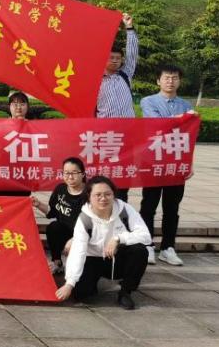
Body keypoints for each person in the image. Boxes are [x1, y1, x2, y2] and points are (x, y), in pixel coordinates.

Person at [56, 175, 152, 310]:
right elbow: (78, 252)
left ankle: (126, 291)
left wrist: (118, 239)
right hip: (93, 259)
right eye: (98, 195)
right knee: (82, 294)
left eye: (108, 194)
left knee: (140, 250)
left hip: (116, 258)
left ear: (114, 195)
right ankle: (92, 282)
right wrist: (69, 284)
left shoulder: (125, 210)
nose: (103, 198)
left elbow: (145, 236)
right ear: (89, 196)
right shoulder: (84, 219)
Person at [139, 64, 193, 267]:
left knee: (172, 207)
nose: (171, 81)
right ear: (158, 81)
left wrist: (189, 163)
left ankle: (168, 247)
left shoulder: (186, 104)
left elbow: (189, 136)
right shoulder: (148, 101)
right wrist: (181, 120)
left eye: (175, 78)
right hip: (153, 161)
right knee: (149, 205)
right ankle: (147, 245)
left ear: (179, 81)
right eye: (167, 78)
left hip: (176, 163)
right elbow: (157, 124)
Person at [33, 157, 88, 274]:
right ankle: (57, 262)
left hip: (85, 235)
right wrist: (38, 204)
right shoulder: (60, 189)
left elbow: (94, 225)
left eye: (74, 173)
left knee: (79, 277)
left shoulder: (89, 194)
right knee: (53, 227)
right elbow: (51, 212)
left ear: (83, 174)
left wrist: (76, 239)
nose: (70, 177)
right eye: (66, 173)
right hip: (65, 232)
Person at [96, 13, 137, 119]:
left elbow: (132, 54)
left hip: (129, 124)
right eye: (111, 58)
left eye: (118, 58)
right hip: (106, 126)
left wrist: (129, 27)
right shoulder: (95, 80)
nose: (115, 61)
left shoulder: (125, 74)